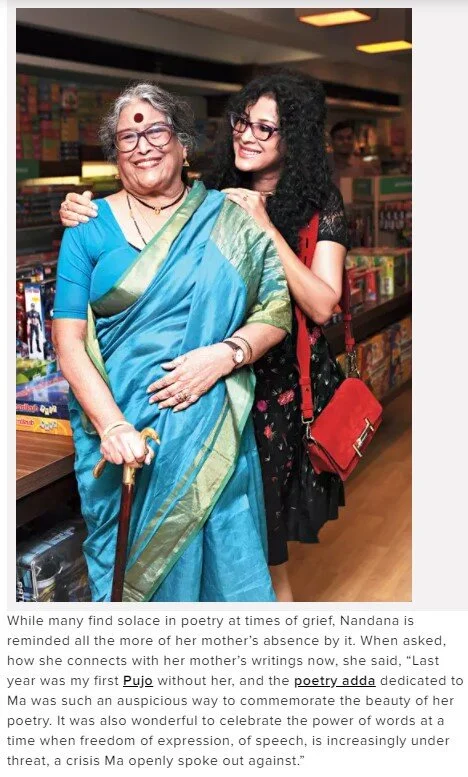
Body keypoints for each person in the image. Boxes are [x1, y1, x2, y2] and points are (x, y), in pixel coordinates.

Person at [60, 70, 350, 603]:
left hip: (242, 404)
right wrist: (112, 424)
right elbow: (70, 340)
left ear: (182, 143)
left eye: (156, 131)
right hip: (132, 425)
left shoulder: (251, 213)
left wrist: (225, 355)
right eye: (128, 137)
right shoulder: (104, 223)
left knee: (250, 560)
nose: (144, 145)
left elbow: (300, 308)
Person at [328, 120, 381, 186]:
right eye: (340, 138)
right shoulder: (321, 165)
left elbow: (378, 188)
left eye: (349, 138)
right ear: (332, 142)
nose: (346, 142)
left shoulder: (365, 168)